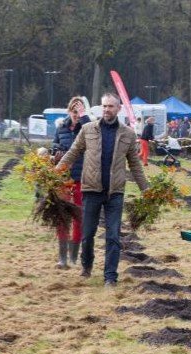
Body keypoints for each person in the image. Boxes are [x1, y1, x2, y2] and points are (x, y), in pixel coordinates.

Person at [56, 93, 149, 287]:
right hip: (91, 190)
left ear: (119, 109)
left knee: (113, 236)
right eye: (104, 106)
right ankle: (87, 265)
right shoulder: (88, 130)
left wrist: (146, 189)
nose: (107, 110)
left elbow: (135, 164)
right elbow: (73, 152)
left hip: (115, 192)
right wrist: (55, 172)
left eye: (111, 106)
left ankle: (110, 277)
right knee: (88, 234)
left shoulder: (128, 134)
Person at [51, 96, 91, 269]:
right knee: (62, 216)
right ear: (68, 111)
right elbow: (54, 146)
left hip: (81, 178)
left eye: (78, 112)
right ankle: (62, 257)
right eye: (73, 111)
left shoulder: (88, 128)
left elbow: (95, 140)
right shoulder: (61, 128)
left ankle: (74, 255)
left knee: (78, 218)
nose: (75, 115)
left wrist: (84, 117)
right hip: (63, 179)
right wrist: (55, 154)